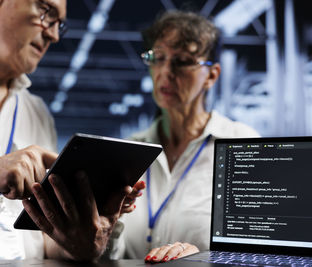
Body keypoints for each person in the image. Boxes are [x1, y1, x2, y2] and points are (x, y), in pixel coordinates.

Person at [0, 0, 133, 261]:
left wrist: (80, 242)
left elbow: (44, 242)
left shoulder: (37, 112)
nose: (52, 34)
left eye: (58, 24)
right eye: (45, 11)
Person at [106, 10, 260, 263]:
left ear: (211, 75)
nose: (166, 71)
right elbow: (107, 252)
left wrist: (204, 259)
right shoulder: (128, 151)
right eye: (158, 58)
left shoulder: (242, 145)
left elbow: (261, 247)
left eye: (182, 61)